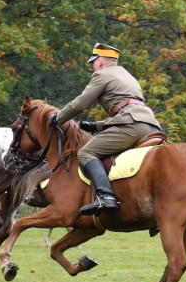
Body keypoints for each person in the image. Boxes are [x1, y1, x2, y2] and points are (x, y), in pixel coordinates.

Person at [55, 43, 162, 216]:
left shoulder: (101, 75)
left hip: (132, 125)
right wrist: (95, 126)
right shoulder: (128, 76)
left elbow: (81, 104)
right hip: (151, 125)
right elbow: (128, 109)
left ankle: (106, 197)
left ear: (101, 61)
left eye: (94, 62)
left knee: (86, 153)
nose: (93, 67)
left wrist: (58, 118)